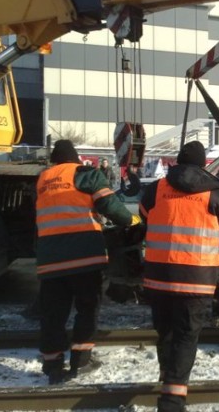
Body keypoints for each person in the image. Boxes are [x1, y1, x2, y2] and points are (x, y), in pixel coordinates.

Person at [139, 140, 219, 412]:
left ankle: (167, 375)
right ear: (203, 163)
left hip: (159, 278)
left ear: (177, 162)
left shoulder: (157, 188)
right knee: (186, 336)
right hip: (196, 280)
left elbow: (144, 216)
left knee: (166, 331)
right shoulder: (213, 192)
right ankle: (172, 400)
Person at [36, 140, 140, 384]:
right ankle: (81, 361)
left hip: (50, 263)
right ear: (75, 158)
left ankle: (52, 363)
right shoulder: (85, 175)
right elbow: (110, 206)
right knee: (87, 308)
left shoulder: (43, 180)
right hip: (85, 257)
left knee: (53, 314)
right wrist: (130, 220)